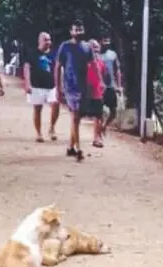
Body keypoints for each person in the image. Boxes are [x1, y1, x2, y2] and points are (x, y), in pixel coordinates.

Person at [55, 19, 93, 162]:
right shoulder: (65, 46)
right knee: (75, 117)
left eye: (80, 29)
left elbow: (92, 67)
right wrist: (58, 88)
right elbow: (58, 67)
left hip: (83, 87)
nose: (78, 32)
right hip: (69, 87)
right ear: (71, 31)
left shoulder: (87, 47)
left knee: (76, 119)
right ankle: (78, 148)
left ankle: (70, 147)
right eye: (76, 29)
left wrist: (95, 86)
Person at [24, 32, 60, 143]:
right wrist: (27, 84)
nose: (48, 42)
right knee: (37, 109)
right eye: (45, 39)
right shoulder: (32, 53)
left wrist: (60, 86)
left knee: (55, 104)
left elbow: (58, 69)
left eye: (49, 39)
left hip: (51, 86)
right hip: (36, 86)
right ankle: (38, 133)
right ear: (39, 41)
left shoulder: (54, 54)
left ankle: (52, 127)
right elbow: (26, 68)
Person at [81, 39, 106, 148]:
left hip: (97, 93)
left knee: (99, 116)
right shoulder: (82, 62)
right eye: (92, 47)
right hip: (85, 93)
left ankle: (96, 138)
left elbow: (103, 76)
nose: (95, 50)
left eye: (97, 47)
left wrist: (103, 85)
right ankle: (74, 140)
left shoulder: (101, 62)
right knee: (77, 116)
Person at [99, 35, 123, 138]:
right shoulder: (96, 55)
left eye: (108, 41)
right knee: (98, 111)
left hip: (111, 86)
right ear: (100, 41)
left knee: (113, 111)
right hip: (99, 87)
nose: (107, 43)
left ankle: (104, 126)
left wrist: (119, 85)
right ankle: (98, 132)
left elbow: (117, 70)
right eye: (105, 40)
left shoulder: (113, 54)